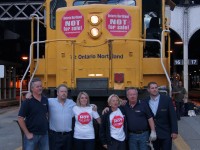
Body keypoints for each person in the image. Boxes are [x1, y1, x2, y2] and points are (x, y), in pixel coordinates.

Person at [18, 77, 49, 150]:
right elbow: (20, 118)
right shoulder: (27, 101)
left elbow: (47, 114)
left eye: (41, 86)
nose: (40, 88)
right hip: (31, 135)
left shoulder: (45, 100)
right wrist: (27, 133)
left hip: (44, 135)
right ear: (32, 89)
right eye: (37, 86)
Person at [146, 82, 178, 150]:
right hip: (152, 134)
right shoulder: (145, 101)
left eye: (156, 88)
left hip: (166, 133)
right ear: (148, 90)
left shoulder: (167, 100)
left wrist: (174, 131)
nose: (154, 89)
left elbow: (173, 116)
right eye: (152, 88)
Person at [48, 84, 76, 150]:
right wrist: (29, 95)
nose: (64, 93)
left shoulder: (71, 103)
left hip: (68, 137)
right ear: (57, 93)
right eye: (62, 91)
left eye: (65, 92)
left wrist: (93, 105)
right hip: (55, 136)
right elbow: (38, 100)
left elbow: (82, 106)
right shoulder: (50, 101)